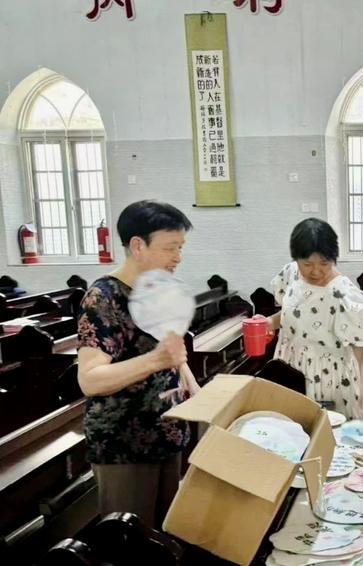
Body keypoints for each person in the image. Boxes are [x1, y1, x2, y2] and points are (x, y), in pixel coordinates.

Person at [77, 200, 198, 529]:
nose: (178, 257)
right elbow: (90, 379)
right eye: (170, 248)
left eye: (181, 247)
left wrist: (192, 387)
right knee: (131, 544)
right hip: (125, 444)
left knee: (166, 536)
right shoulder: (103, 298)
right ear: (137, 246)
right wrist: (156, 359)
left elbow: (172, 352)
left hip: (168, 432)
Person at [266, 218, 363, 418]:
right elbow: (290, 313)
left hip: (327, 381)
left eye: (324, 263)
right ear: (296, 258)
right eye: (307, 264)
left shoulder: (344, 295)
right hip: (289, 371)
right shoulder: (291, 274)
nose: (315, 271)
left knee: (324, 438)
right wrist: (269, 323)